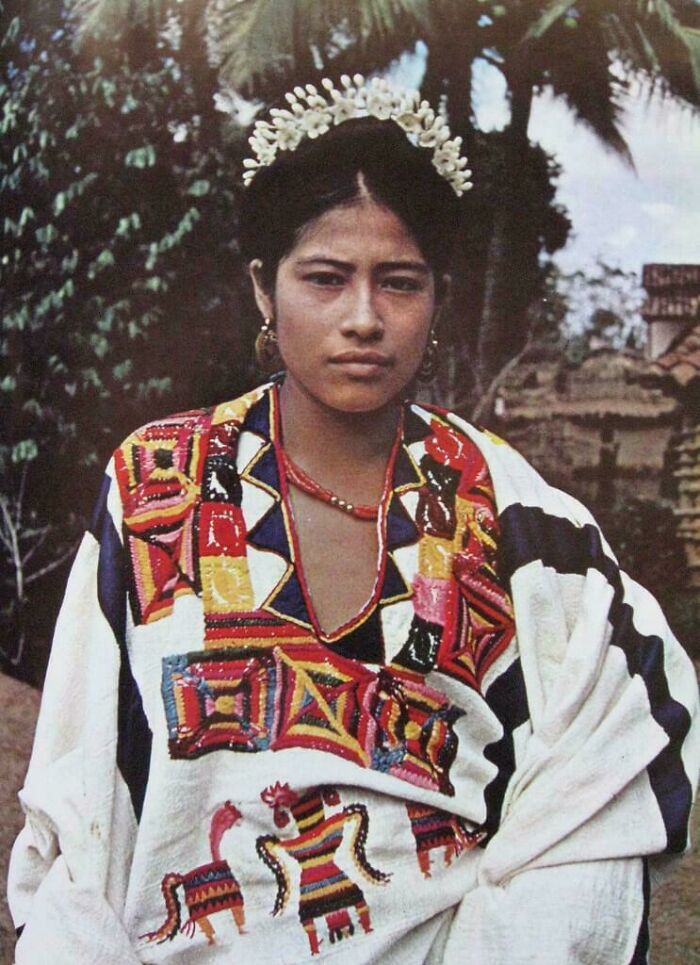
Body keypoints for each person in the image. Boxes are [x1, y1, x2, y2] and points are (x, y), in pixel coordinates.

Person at [8, 75, 699, 964]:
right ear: (265, 288)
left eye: (398, 282)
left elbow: (627, 739)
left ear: (438, 296)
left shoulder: (518, 519)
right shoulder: (155, 490)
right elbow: (79, 791)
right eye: (326, 279)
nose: (363, 319)